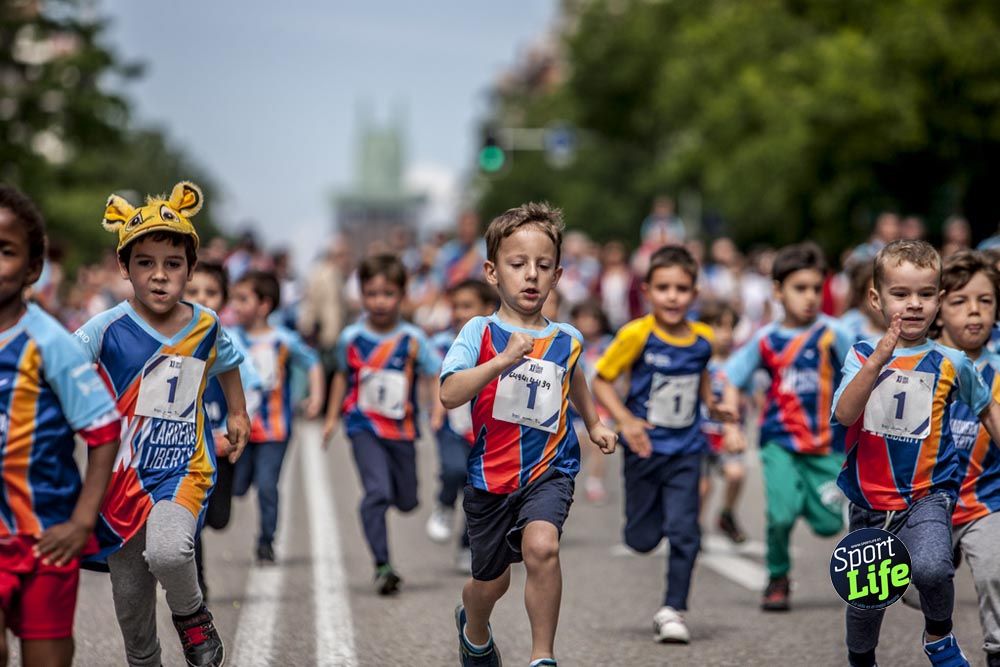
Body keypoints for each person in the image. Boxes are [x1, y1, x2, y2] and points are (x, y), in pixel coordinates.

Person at [75, 182, 250, 667]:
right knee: (133, 617)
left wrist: (237, 412)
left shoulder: (206, 324)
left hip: (183, 468)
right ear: (124, 268)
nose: (159, 276)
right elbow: (58, 363)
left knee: (171, 553)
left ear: (190, 270)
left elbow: (227, 362)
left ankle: (193, 617)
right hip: (120, 482)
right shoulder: (105, 327)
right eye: (145, 263)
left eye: (173, 264)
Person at [440, 203, 617, 667]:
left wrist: (594, 423)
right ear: (493, 272)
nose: (530, 276)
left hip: (549, 469)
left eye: (542, 266)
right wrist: (500, 361)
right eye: (518, 265)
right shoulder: (478, 331)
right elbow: (449, 394)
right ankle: (474, 629)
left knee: (543, 547)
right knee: (491, 583)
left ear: (557, 275)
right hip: (490, 478)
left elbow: (574, 378)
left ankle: (543, 657)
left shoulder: (567, 338)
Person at [833, 240, 1000, 667]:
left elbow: (985, 407)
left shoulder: (951, 362)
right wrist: (878, 362)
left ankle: (939, 635)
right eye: (900, 294)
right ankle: (861, 658)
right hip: (870, 501)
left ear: (939, 301)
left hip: (928, 495)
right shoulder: (860, 354)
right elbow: (845, 412)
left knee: (933, 569)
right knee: (867, 602)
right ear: (876, 298)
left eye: (926, 294)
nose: (914, 305)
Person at [0, 186, 120, 667]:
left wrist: (81, 522)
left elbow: (104, 432)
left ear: (32, 268)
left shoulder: (51, 344)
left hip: (44, 538)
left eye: (5, 251)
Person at [592, 245, 721, 644]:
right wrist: (626, 421)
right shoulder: (636, 334)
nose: (672, 296)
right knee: (641, 539)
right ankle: (651, 524)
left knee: (687, 533)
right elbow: (601, 379)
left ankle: (673, 609)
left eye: (681, 289)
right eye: (663, 287)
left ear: (694, 293)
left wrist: (718, 408)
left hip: (686, 448)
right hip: (644, 450)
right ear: (647, 290)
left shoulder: (703, 339)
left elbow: (702, 384)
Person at [721, 242, 854, 612]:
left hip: (827, 445)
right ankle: (777, 577)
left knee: (829, 524)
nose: (810, 297)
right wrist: (731, 425)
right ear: (778, 291)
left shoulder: (834, 334)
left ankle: (803, 499)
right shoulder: (766, 339)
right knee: (780, 514)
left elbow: (863, 374)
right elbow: (732, 379)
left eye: (816, 288)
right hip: (778, 441)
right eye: (800, 288)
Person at [322, 254, 442, 595]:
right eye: (371, 294)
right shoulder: (351, 337)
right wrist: (332, 418)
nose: (379, 301)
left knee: (406, 501)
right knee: (377, 493)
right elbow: (342, 378)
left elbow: (434, 372)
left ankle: (389, 501)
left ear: (402, 295)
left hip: (402, 430)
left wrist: (435, 410)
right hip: (364, 427)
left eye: (387, 294)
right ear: (361, 295)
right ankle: (382, 564)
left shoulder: (413, 339)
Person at [230, 270, 323, 564]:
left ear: (264, 305)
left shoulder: (283, 339)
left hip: (274, 429)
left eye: (243, 299)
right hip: (237, 429)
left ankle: (266, 541)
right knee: (238, 487)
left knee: (267, 485)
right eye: (234, 299)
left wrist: (316, 397)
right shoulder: (230, 337)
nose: (235, 305)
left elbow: (313, 362)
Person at [934, 251, 1000, 667]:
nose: (974, 311)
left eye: (986, 300)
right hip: (927, 505)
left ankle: (996, 650)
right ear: (936, 308)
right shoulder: (919, 363)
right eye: (959, 301)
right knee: (918, 584)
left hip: (985, 501)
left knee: (996, 570)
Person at [184, 262, 262, 597]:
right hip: (186, 447)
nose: (201, 298)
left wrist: (241, 423)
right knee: (192, 519)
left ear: (224, 299)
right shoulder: (174, 339)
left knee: (218, 518)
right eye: (193, 291)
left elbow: (252, 386)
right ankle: (196, 581)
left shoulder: (227, 341)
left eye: (210, 292)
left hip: (221, 445)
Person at [426, 279, 498, 572]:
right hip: (452, 424)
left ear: (487, 309)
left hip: (484, 429)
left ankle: (467, 545)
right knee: (455, 470)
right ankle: (443, 504)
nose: (458, 312)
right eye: (454, 306)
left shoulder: (496, 342)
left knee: (477, 487)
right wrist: (436, 410)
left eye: (466, 306)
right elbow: (436, 376)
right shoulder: (443, 342)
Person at [697, 299, 748, 543]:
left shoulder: (739, 361)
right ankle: (694, 528)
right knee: (703, 486)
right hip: (701, 432)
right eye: (719, 326)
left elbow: (749, 392)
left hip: (728, 432)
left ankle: (726, 515)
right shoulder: (697, 358)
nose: (725, 334)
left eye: (730, 327)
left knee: (736, 474)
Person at [568, 301, 615, 504]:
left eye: (592, 319)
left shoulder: (609, 344)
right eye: (582, 318)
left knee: (598, 444)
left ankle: (594, 483)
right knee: (578, 444)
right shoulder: (570, 343)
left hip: (601, 404)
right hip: (574, 405)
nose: (587, 323)